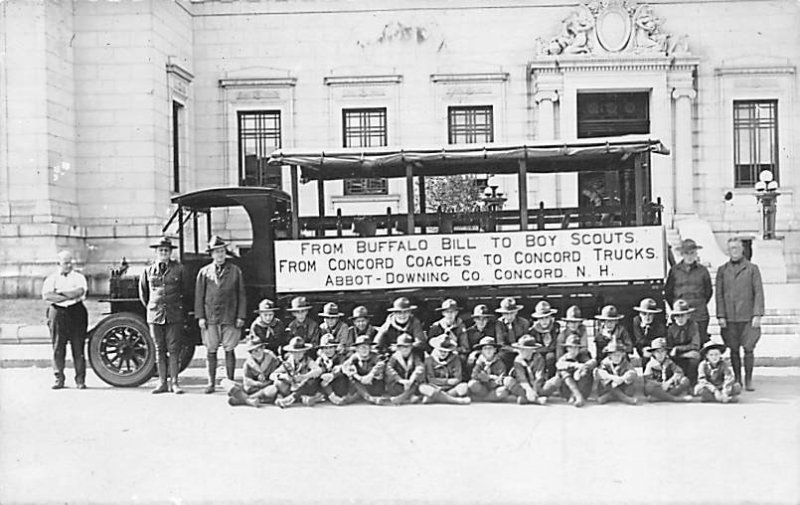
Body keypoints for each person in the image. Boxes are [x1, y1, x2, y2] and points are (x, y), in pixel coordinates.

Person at [194, 236, 247, 393]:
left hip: (229, 316)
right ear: (211, 254)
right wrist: (200, 317)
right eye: (216, 252)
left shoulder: (235, 271)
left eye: (222, 251)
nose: (220, 255)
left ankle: (230, 382)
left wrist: (240, 316)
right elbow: (199, 296)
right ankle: (211, 383)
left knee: (229, 349)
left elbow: (242, 295)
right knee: (211, 350)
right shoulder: (204, 273)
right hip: (210, 318)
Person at [716, 237, 765, 391]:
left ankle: (748, 379)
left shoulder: (752, 269)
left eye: (737, 248)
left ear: (742, 249)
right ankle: (737, 379)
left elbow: (759, 293)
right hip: (730, 318)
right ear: (728, 251)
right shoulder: (722, 270)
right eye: (731, 248)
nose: (734, 251)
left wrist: (757, 314)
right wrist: (721, 316)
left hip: (748, 317)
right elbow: (719, 295)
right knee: (734, 349)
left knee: (749, 348)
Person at [138, 237, 185, 394]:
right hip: (155, 315)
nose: (163, 253)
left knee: (174, 349)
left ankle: (175, 383)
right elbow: (144, 294)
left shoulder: (179, 269)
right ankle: (162, 382)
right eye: (161, 250)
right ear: (156, 252)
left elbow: (186, 292)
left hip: (174, 314)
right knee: (159, 349)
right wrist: (153, 308)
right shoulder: (148, 271)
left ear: (170, 253)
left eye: (166, 250)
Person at [41, 250, 89, 390]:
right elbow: (48, 296)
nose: (69, 265)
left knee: (78, 347)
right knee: (58, 346)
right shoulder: (51, 279)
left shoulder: (79, 277)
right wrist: (69, 295)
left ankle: (80, 380)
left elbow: (79, 292)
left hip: (76, 312)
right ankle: (59, 379)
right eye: (65, 263)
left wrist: (59, 293)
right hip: (58, 313)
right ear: (58, 264)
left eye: (71, 262)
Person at [665, 238, 713, 344]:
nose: (690, 256)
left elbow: (708, 291)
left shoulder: (703, 271)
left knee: (699, 343)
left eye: (692, 253)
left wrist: (699, 303)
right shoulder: (674, 271)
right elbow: (668, 292)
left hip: (699, 314)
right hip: (680, 315)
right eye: (687, 253)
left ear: (696, 254)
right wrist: (677, 308)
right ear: (682, 254)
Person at [223, 338, 280, 407]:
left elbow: (277, 375)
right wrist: (256, 383)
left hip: (265, 388)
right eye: (251, 351)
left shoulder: (272, 359)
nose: (255, 353)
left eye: (257, 350)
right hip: (252, 388)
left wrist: (266, 382)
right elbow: (246, 380)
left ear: (263, 348)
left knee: (272, 389)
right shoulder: (248, 363)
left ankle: (243, 399)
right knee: (225, 382)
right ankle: (249, 400)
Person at [270, 336, 323, 408]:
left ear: (304, 351)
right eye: (294, 352)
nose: (297, 355)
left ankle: (291, 398)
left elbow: (318, 370)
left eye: (300, 352)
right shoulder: (288, 362)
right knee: (278, 383)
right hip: (291, 386)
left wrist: (304, 376)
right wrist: (284, 376)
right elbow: (272, 375)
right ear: (291, 352)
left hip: (304, 386)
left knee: (312, 381)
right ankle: (302, 398)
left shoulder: (308, 360)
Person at [502, 335, 555, 405]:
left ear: (531, 350)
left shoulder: (539, 358)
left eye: (523, 349)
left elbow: (539, 377)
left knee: (555, 381)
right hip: (524, 386)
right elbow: (521, 378)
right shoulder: (518, 360)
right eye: (520, 349)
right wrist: (529, 391)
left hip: (537, 386)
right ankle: (536, 400)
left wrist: (534, 391)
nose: (520, 351)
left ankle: (526, 398)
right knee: (508, 380)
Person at [418, 336, 471, 405]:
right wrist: (447, 381)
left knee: (464, 387)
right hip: (434, 387)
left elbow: (457, 378)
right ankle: (456, 401)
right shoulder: (429, 359)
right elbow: (430, 379)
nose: (443, 353)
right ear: (436, 349)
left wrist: (448, 383)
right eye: (440, 351)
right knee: (423, 387)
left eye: (446, 351)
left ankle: (437, 398)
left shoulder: (455, 358)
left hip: (451, 388)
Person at [642, 337, 692, 402]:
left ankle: (661, 398)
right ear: (653, 353)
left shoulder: (669, 362)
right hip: (658, 388)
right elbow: (647, 379)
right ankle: (674, 399)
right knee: (648, 387)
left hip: (669, 387)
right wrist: (661, 385)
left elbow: (679, 372)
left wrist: (669, 382)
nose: (660, 354)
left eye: (662, 351)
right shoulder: (650, 365)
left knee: (685, 380)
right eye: (657, 352)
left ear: (666, 352)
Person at [342, 335, 388, 405]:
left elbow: (381, 364)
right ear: (357, 349)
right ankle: (368, 397)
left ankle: (358, 395)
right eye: (361, 348)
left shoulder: (375, 356)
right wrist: (359, 377)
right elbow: (346, 366)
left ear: (370, 348)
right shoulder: (354, 357)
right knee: (352, 379)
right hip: (360, 383)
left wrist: (371, 375)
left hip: (372, 384)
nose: (364, 350)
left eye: (366, 347)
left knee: (380, 379)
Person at [665, 299, 701, 384]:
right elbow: (669, 348)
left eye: (683, 315)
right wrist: (674, 351)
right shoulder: (671, 328)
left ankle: (692, 382)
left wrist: (678, 349)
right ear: (674, 317)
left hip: (688, 353)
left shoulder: (693, 326)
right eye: (677, 316)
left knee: (695, 356)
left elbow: (695, 345)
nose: (680, 319)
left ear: (688, 316)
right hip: (674, 356)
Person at [555, 334, 596, 407]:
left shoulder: (583, 355)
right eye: (571, 348)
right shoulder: (564, 358)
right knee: (563, 372)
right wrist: (575, 365)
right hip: (567, 391)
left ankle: (577, 396)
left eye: (576, 348)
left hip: (583, 389)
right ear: (567, 348)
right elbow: (558, 364)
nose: (573, 350)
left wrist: (582, 368)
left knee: (585, 371)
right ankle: (577, 395)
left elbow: (593, 362)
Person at [384, 333, 424, 405]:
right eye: (402, 347)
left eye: (407, 347)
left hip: (410, 383)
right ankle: (409, 397)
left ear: (411, 347)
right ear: (398, 348)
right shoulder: (394, 357)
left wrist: (411, 380)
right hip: (399, 383)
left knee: (416, 385)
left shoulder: (415, 356)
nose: (405, 349)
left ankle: (401, 398)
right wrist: (400, 380)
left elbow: (420, 367)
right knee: (393, 387)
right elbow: (389, 369)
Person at [467, 336, 508, 402]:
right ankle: (490, 398)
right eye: (485, 348)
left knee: (504, 391)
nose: (488, 351)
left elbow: (501, 379)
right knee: (472, 384)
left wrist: (488, 377)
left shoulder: (499, 363)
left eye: (490, 348)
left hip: (494, 388)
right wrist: (489, 378)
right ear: (482, 351)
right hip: (482, 388)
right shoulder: (479, 361)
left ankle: (482, 399)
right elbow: (474, 375)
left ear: (495, 350)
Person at [494, 297, 530, 369]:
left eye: (512, 313)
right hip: (507, 351)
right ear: (502, 314)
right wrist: (514, 350)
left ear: (516, 312)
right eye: (506, 314)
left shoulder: (524, 323)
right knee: (501, 355)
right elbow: (501, 344)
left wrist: (521, 350)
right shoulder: (499, 324)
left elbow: (526, 340)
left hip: (521, 350)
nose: (509, 316)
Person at [631, 298, 665, 370]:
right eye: (644, 314)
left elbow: (659, 340)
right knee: (646, 353)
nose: (647, 317)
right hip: (640, 347)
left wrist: (653, 347)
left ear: (654, 315)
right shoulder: (636, 321)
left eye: (650, 314)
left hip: (655, 348)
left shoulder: (659, 325)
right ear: (640, 314)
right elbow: (639, 339)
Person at [315, 333, 349, 405]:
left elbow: (345, 368)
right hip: (325, 387)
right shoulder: (320, 360)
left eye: (331, 347)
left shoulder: (341, 358)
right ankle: (330, 395)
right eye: (326, 348)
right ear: (322, 349)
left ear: (335, 348)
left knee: (342, 374)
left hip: (339, 386)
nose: (328, 350)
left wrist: (333, 375)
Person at [528, 300, 560, 377]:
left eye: (546, 317)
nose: (544, 321)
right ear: (538, 319)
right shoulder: (533, 331)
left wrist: (550, 348)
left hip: (552, 352)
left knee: (550, 357)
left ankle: (551, 378)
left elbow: (556, 342)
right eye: (541, 318)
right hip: (538, 353)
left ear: (551, 317)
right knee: (538, 359)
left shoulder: (555, 327)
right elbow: (533, 347)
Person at [462, 304, 494, 370]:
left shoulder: (492, 330)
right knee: (471, 360)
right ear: (474, 320)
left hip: (490, 353)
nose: (481, 321)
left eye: (484, 319)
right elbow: (467, 348)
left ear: (487, 320)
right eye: (478, 319)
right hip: (475, 355)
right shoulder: (469, 332)